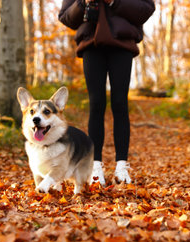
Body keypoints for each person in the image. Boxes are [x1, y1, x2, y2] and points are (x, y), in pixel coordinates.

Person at [59, 0, 155, 186]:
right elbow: (66, 17)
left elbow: (146, 9)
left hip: (122, 44)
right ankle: (95, 167)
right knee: (96, 104)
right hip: (91, 45)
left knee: (120, 103)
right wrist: (83, 3)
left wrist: (114, 2)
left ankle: (121, 166)